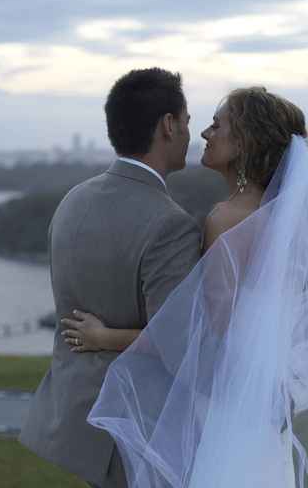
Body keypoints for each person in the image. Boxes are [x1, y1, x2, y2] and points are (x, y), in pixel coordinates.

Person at [64, 87, 308, 487]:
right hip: (263, 406)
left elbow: (202, 338)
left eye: (217, 124)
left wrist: (104, 337)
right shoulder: (284, 219)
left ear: (244, 141)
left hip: (226, 408)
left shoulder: (227, 220)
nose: (205, 134)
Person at [19, 68, 202, 488]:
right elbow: (179, 344)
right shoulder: (170, 225)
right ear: (169, 125)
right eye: (188, 121)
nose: (192, 133)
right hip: (140, 428)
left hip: (80, 421)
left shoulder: (72, 201)